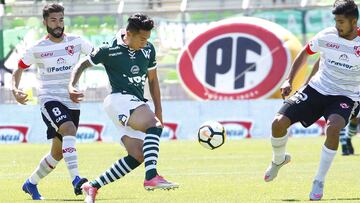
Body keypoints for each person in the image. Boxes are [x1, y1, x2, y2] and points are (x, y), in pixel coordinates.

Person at [68, 13, 178, 203]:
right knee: (153, 125)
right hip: (118, 100)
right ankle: (151, 177)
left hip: (135, 102)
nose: (145, 42)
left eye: (148, 38)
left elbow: (153, 80)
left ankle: (92, 186)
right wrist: (71, 85)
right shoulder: (109, 49)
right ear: (129, 34)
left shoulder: (148, 50)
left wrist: (159, 109)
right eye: (142, 38)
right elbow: (81, 64)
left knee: (137, 155)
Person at [263, 0, 360, 201]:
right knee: (278, 124)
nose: (337, 25)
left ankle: (319, 181)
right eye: (335, 20)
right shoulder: (327, 35)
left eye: (341, 21)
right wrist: (289, 80)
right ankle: (278, 160)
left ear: (353, 21)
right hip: (317, 88)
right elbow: (306, 54)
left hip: (347, 95)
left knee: (333, 128)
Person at [12, 3, 93, 200]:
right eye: (53, 20)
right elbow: (19, 68)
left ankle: (30, 184)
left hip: (72, 101)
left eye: (61, 20)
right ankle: (76, 180)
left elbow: (98, 56)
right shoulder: (38, 48)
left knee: (57, 153)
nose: (58, 24)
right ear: (45, 22)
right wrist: (15, 90)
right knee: (69, 129)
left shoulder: (77, 42)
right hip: (50, 99)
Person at [309, 58, 359, 156]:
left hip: (356, 88)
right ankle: (344, 144)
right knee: (340, 118)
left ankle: (348, 138)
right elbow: (321, 60)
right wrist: (310, 79)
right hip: (338, 90)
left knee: (355, 120)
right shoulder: (334, 46)